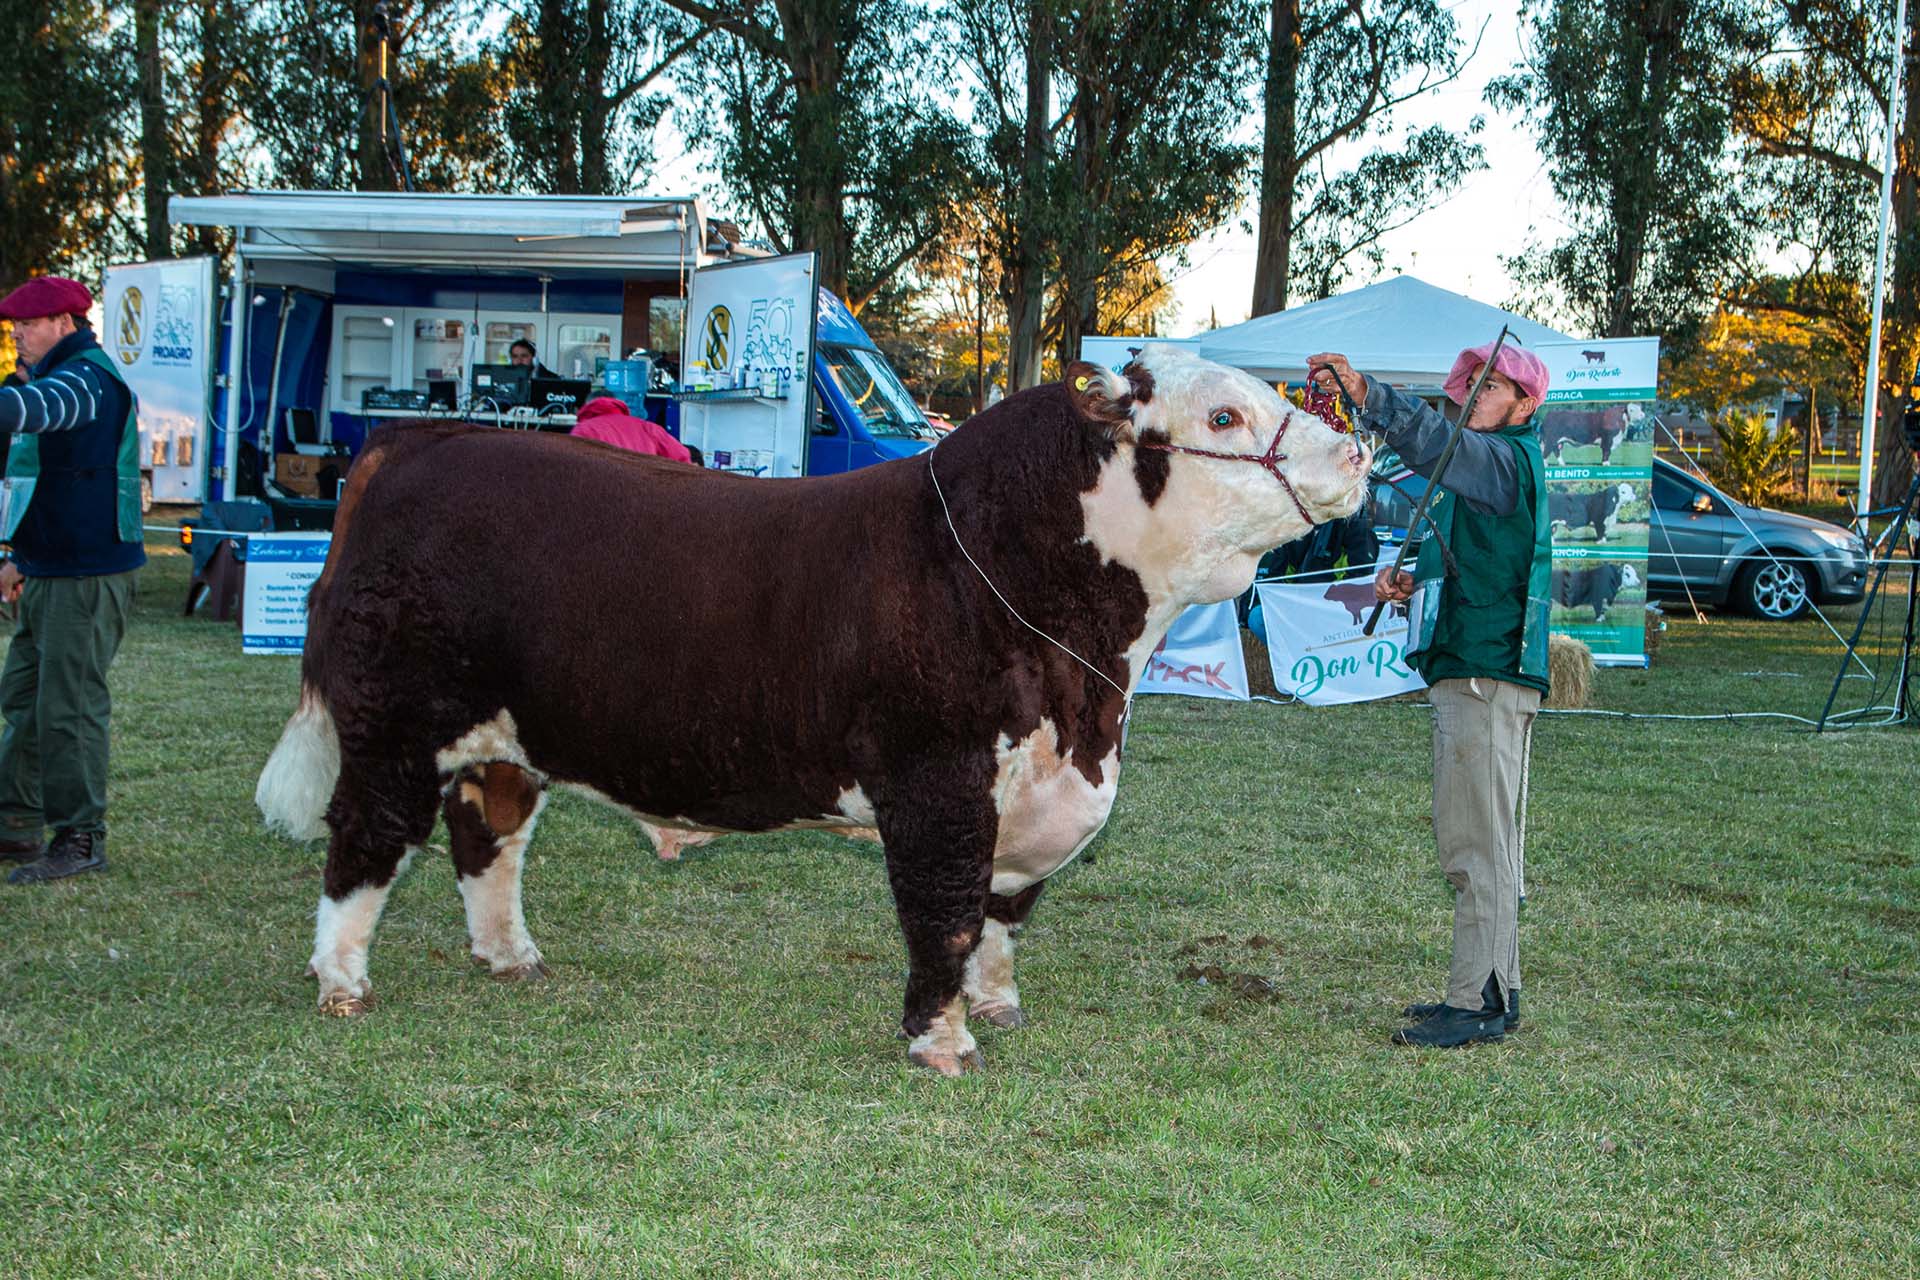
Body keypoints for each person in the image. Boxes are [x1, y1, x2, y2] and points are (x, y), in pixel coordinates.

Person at [1308, 342, 1552, 1048]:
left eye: (1491, 385)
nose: (1473, 394)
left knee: (1475, 842)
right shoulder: (1484, 473)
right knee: (1482, 840)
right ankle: (1491, 989)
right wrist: (1407, 581)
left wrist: (1371, 395)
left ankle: (1474, 1003)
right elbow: (1467, 562)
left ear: (1525, 405)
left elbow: (1437, 445)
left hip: (1485, 675)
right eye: (1468, 384)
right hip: (1473, 666)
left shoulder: (1501, 460)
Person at [0, 276, 147, 884]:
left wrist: (11, 398)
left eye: (26, 327)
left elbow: (39, 412)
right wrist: (15, 556)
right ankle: (14, 825)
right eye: (12, 329)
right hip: (48, 568)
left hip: (87, 575)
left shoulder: (89, 378)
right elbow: (32, 471)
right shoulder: (50, 373)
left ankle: (81, 837)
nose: (16, 337)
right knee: (24, 700)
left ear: (64, 321)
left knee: (69, 707)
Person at [568, 396, 693, 463]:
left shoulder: (583, 430)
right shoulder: (648, 427)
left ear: (585, 407)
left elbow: (573, 468)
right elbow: (682, 457)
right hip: (646, 498)